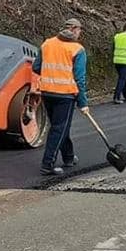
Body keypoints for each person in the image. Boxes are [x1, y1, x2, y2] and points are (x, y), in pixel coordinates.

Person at [32, 17, 89, 176]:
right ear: (74, 29)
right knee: (59, 128)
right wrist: (83, 102)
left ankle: (68, 157)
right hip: (65, 95)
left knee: (61, 126)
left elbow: (36, 67)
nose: (79, 33)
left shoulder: (47, 44)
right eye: (79, 30)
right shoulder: (77, 49)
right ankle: (47, 164)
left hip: (47, 92)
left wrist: (51, 74)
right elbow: (79, 79)